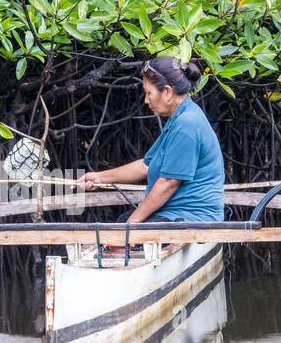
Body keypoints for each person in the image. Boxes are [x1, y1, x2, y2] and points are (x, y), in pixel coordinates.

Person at [79, 57, 225, 222]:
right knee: (122, 221)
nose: (146, 100)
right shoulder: (179, 118)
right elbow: (145, 166)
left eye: (149, 93)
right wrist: (99, 177)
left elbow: (168, 183)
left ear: (168, 92)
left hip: (192, 217)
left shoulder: (187, 123)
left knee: (125, 226)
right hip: (173, 214)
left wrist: (131, 225)